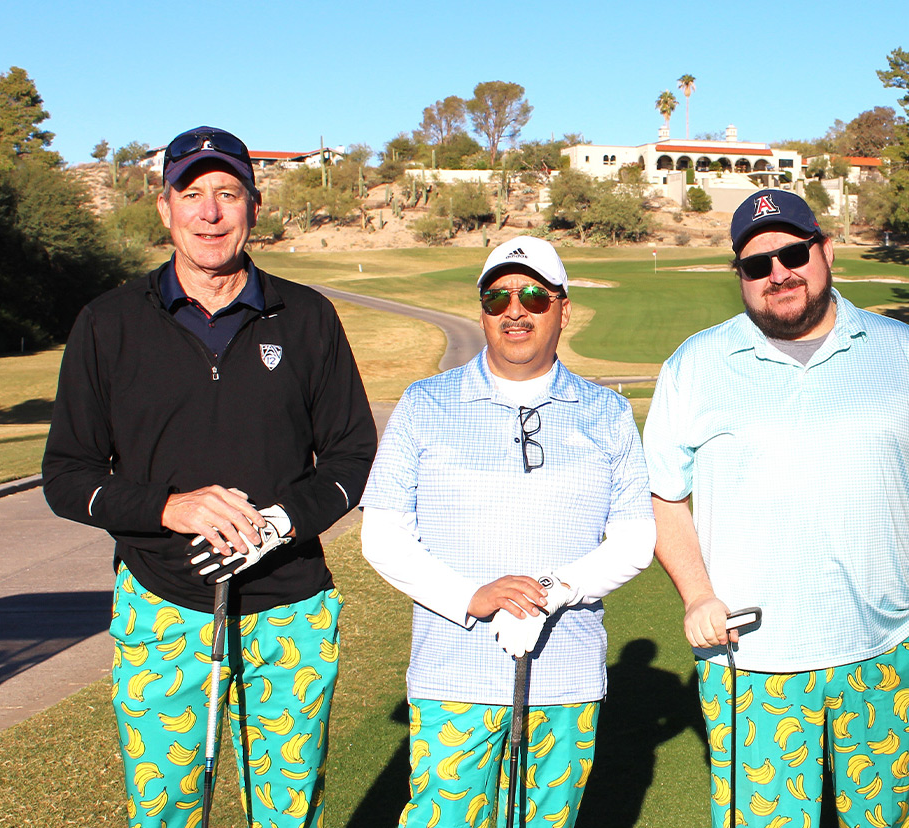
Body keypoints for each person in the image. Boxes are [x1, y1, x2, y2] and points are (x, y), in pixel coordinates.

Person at [43, 126, 378, 827]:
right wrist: (171, 508)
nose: (210, 213)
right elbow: (67, 477)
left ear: (253, 206)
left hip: (289, 606)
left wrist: (284, 521)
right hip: (162, 605)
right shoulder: (108, 324)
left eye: (228, 193)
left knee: (288, 814)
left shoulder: (306, 316)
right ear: (164, 208)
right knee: (164, 814)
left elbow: (350, 456)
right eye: (191, 194)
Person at [644, 190, 909, 828]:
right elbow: (664, 495)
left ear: (825, 251)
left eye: (793, 252)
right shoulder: (695, 363)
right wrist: (695, 596)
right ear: (740, 277)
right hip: (751, 660)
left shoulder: (902, 350)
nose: (778, 273)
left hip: (894, 650)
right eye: (756, 264)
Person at [359, 236, 656, 828]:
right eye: (497, 297)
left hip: (565, 675)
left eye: (532, 296)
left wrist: (548, 590)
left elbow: (634, 540)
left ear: (562, 309)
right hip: (452, 671)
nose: (514, 309)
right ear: (483, 312)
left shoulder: (607, 412)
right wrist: (472, 597)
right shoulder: (425, 403)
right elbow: (382, 534)